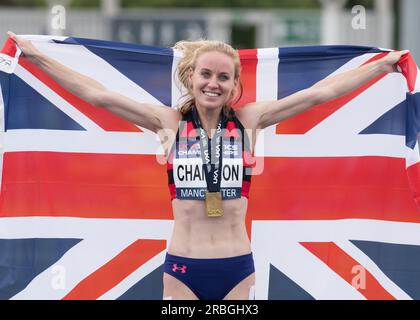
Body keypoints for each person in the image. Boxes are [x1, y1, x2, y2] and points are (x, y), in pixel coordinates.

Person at [7, 31, 408, 300]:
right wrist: (38, 56)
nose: (213, 83)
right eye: (205, 74)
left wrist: (380, 66)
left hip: (237, 267)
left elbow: (320, 95)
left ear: (235, 85)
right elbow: (96, 95)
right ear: (192, 78)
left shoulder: (249, 120)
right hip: (182, 268)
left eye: (223, 77)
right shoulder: (169, 123)